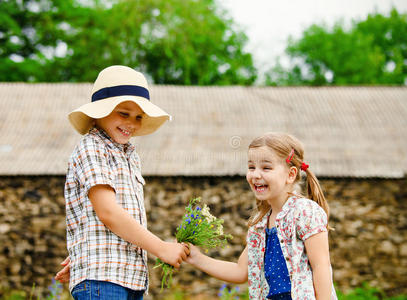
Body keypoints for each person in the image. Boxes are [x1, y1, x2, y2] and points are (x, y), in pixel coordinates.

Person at [55, 65, 189, 300]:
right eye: (124, 114)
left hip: (127, 276)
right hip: (104, 279)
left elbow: (101, 219)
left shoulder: (129, 155)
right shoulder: (93, 147)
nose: (132, 123)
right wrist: (161, 248)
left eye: (139, 117)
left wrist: (82, 250)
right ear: (99, 112)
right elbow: (108, 212)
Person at [186, 132, 337, 300]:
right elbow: (241, 271)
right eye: (251, 167)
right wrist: (196, 258)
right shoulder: (260, 224)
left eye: (266, 168)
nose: (256, 174)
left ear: (291, 174)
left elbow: (321, 266)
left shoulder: (304, 212)